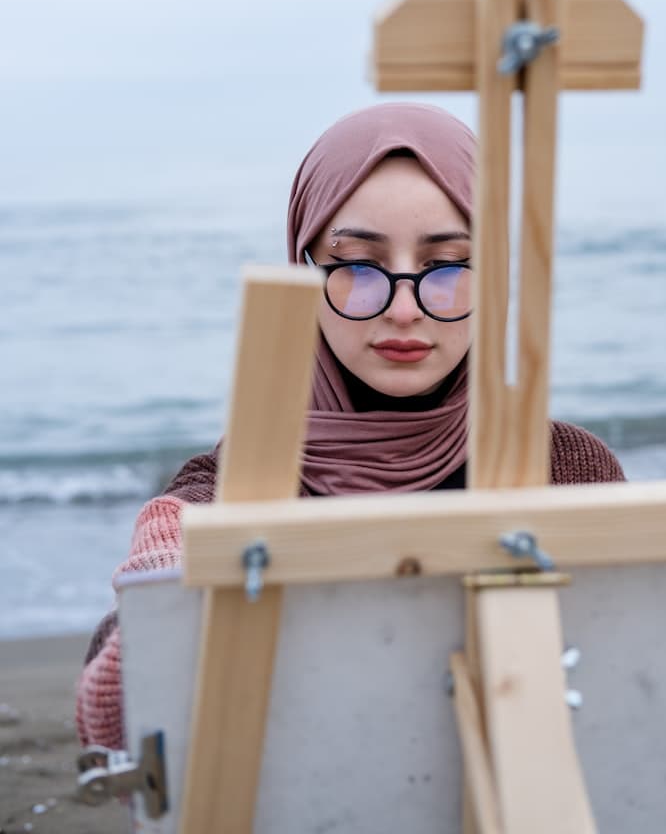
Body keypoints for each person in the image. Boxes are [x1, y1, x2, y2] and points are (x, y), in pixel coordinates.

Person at [76, 102, 624, 749]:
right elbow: (107, 724)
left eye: (446, 267)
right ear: (304, 270)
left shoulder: (566, 468)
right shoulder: (231, 486)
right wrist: (172, 581)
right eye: (358, 268)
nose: (400, 309)